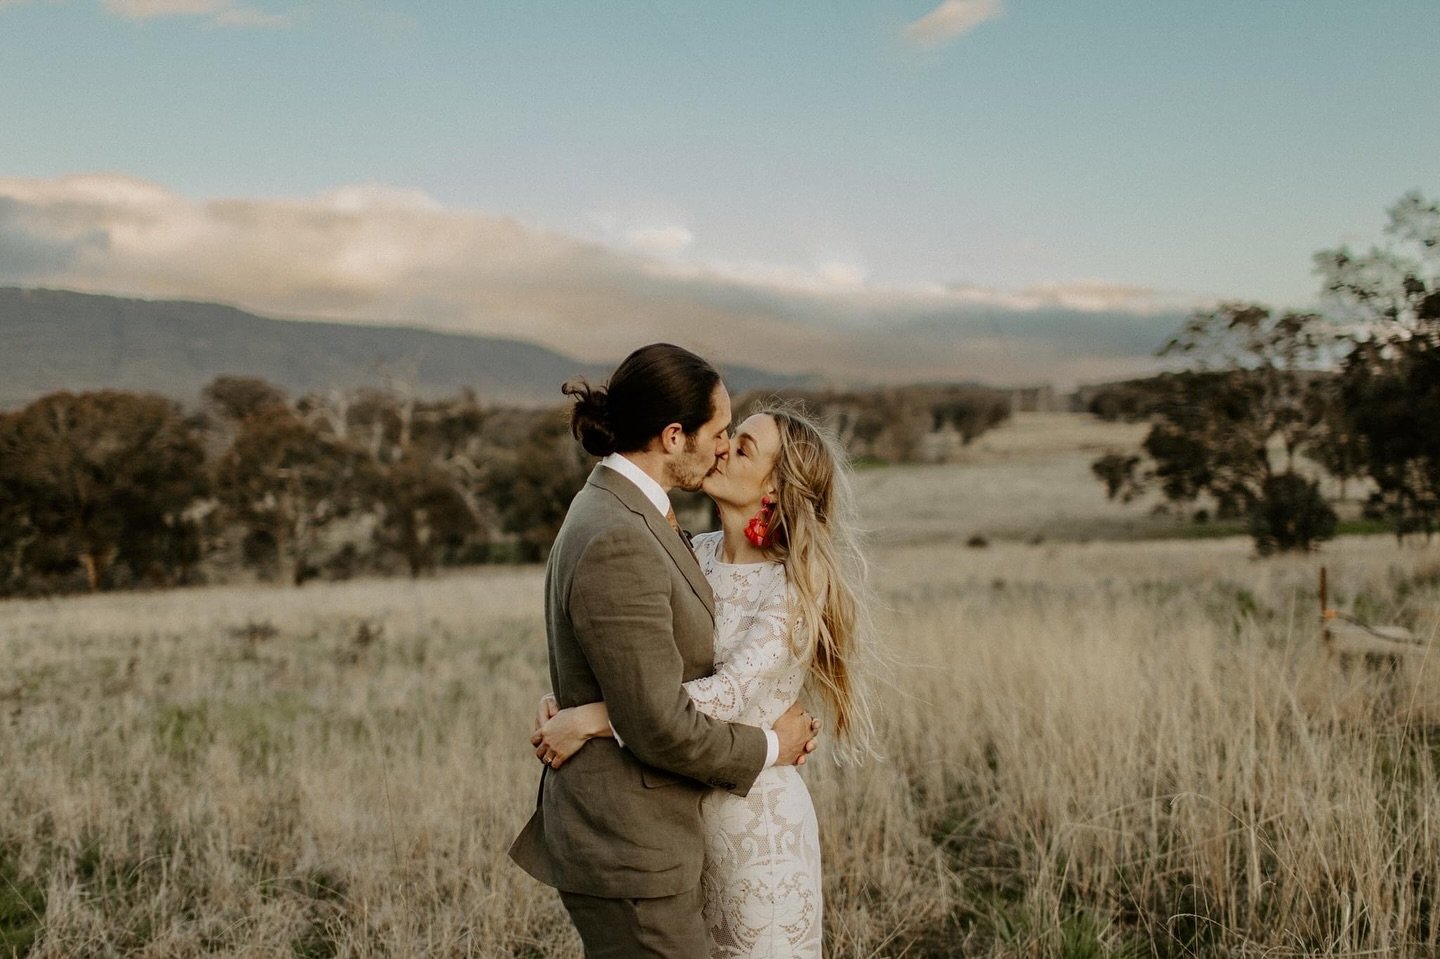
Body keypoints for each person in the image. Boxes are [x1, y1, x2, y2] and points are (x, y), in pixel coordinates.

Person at [508, 344, 821, 958]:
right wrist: (770, 744)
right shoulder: (624, 533)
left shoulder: (638, 518)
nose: (724, 446)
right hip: (633, 840)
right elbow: (655, 715)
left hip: (710, 823)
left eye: (737, 439)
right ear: (674, 436)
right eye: (721, 431)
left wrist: (588, 709)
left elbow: (646, 664)